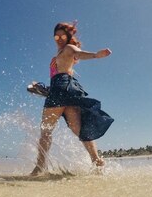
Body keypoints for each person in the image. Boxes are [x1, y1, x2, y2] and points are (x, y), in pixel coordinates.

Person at [31, 22, 114, 176]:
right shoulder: (58, 56)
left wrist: (96, 55)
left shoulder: (69, 48)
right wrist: (40, 89)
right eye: (56, 36)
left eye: (63, 35)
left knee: (46, 131)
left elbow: (79, 53)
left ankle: (39, 167)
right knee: (79, 130)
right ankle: (97, 161)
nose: (59, 38)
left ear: (68, 37)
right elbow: (56, 81)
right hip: (65, 90)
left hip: (61, 89)